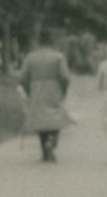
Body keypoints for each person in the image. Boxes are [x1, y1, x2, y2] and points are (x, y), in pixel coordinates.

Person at [17, 29, 71, 163]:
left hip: (36, 88)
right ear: (52, 42)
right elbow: (65, 77)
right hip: (54, 88)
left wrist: (28, 89)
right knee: (55, 116)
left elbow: (22, 77)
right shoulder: (58, 57)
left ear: (39, 42)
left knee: (40, 118)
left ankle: (45, 151)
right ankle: (52, 140)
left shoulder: (31, 57)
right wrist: (63, 89)